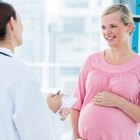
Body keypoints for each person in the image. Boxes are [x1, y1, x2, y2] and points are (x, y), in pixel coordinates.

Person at [0, 1, 70, 140]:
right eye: (20, 20)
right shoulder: (21, 74)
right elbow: (40, 136)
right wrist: (49, 113)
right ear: (12, 23)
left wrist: (42, 110)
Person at [71, 3, 140, 140]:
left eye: (113, 26)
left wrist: (119, 102)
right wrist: (76, 136)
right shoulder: (91, 61)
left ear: (130, 27)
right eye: (103, 27)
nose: (106, 32)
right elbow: (76, 103)